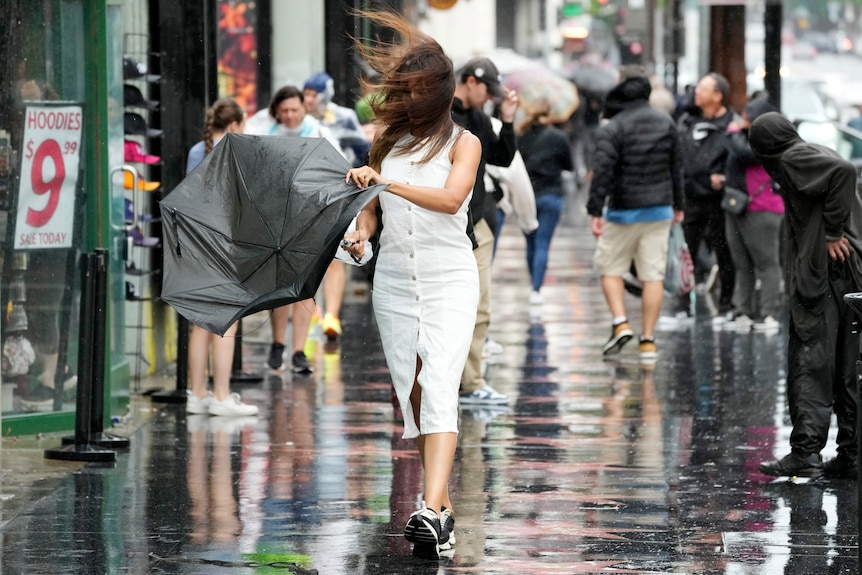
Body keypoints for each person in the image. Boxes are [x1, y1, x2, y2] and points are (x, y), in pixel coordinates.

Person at [342, 10, 482, 557]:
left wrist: (387, 182)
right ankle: (441, 512)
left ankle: (429, 506)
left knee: (442, 381)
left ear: (442, 93)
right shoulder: (386, 144)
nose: (412, 95)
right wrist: (360, 235)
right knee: (416, 390)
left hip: (450, 278)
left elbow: (451, 201)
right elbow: (372, 213)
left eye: (421, 87)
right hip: (395, 280)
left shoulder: (463, 143)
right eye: (408, 87)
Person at [750, 111, 861, 480]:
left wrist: (831, 233)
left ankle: (806, 454)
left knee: (811, 361)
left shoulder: (791, 158)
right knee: (849, 367)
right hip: (848, 273)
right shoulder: (808, 151)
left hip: (824, 274)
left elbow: (845, 171)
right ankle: (851, 454)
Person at [586, 72, 684, 363]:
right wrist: (679, 205)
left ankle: (620, 322)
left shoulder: (613, 127)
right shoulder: (666, 123)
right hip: (660, 209)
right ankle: (648, 342)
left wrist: (595, 209)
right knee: (651, 274)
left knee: (610, 267)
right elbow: (676, 168)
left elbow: (602, 170)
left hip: (623, 210)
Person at [245, 86, 336, 373]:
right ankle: (277, 343)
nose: (290, 116)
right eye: (284, 111)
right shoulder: (264, 129)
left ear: (303, 108)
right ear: (276, 111)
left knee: (305, 288)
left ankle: (298, 351)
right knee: (280, 285)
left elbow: (335, 169)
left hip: (309, 220)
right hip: (275, 220)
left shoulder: (319, 133)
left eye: (294, 110)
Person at [451, 56, 519, 406]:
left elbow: (502, 159)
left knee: (480, 307)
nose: (489, 99)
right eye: (487, 91)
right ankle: (445, 381)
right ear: (470, 81)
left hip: (476, 223)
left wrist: (507, 120)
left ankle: (472, 382)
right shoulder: (441, 115)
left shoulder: (478, 119)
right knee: (444, 309)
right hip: (444, 224)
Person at [185, 98, 258, 416]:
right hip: (227, 243)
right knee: (227, 319)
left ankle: (197, 394)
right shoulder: (237, 153)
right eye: (243, 125)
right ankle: (221, 396)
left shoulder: (195, 152)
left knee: (201, 321)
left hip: (197, 242)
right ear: (233, 126)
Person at [302, 72, 372, 342]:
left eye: (313, 94)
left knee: (334, 253)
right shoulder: (299, 120)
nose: (309, 99)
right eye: (306, 93)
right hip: (309, 194)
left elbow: (362, 149)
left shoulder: (342, 117)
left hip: (339, 193)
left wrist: (350, 174)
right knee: (308, 257)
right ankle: (314, 313)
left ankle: (331, 315)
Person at [677, 73, 740, 320]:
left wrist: (724, 177)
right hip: (690, 196)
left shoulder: (731, 125)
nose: (697, 93)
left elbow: (739, 157)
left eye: (703, 89)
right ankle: (682, 305)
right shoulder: (687, 122)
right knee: (686, 253)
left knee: (724, 252)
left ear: (718, 96)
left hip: (718, 200)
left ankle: (726, 305)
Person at [722, 96, 784, 332]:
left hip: (763, 208)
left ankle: (768, 314)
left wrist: (732, 133)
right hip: (738, 206)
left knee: (766, 263)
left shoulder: (768, 140)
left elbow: (745, 154)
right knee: (742, 263)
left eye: (748, 117)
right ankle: (743, 311)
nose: (742, 120)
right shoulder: (740, 136)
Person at [517, 100, 574, 304]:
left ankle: (534, 282)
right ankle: (536, 290)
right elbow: (569, 165)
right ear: (549, 114)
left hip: (526, 197)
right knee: (543, 243)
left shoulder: (521, 136)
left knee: (530, 243)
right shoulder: (559, 137)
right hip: (551, 195)